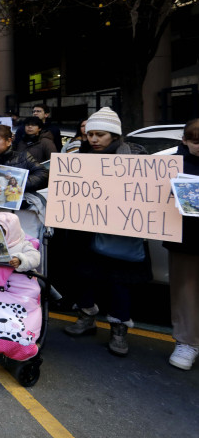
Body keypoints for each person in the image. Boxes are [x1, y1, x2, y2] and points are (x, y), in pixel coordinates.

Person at [62, 107, 151, 357]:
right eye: (90, 134)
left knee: (119, 284)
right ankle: (86, 316)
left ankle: (119, 328)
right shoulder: (80, 156)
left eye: (100, 134)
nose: (93, 139)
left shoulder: (135, 156)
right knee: (85, 277)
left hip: (120, 235)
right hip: (86, 233)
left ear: (114, 134)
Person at [167, 118, 199, 369]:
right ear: (185, 141)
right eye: (197, 142)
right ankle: (187, 342)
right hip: (187, 240)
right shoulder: (170, 167)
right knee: (186, 292)